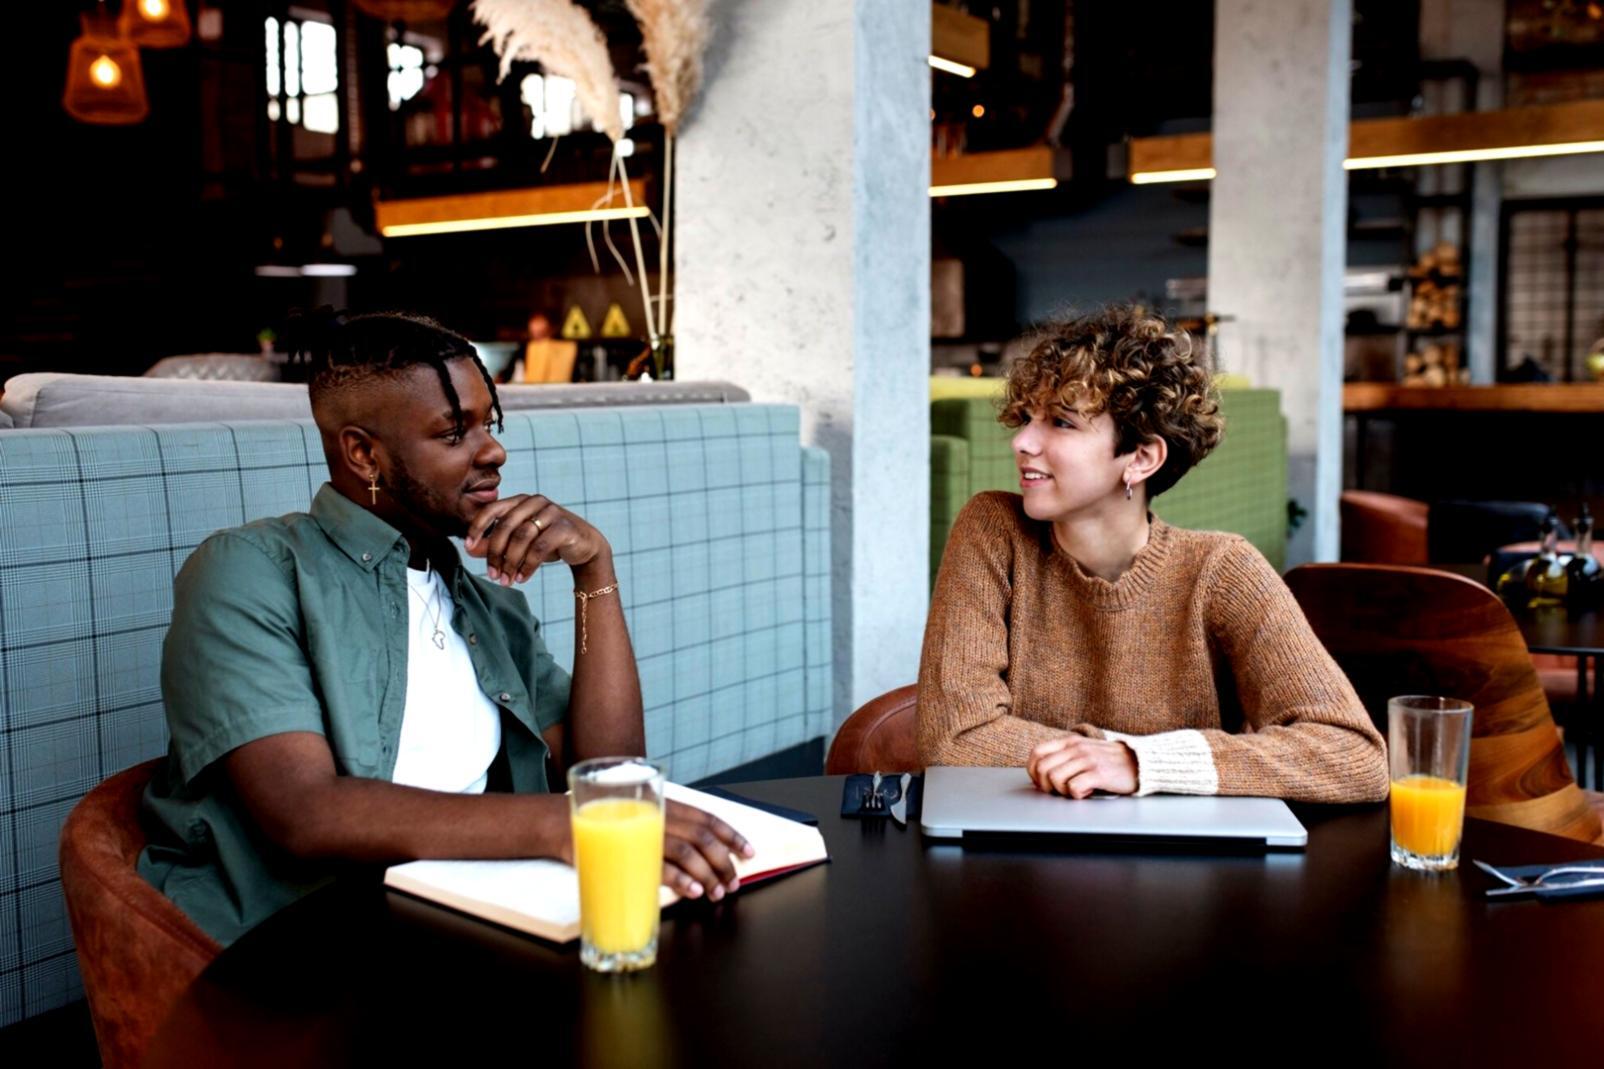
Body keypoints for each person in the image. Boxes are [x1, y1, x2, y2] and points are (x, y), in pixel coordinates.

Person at [139, 310, 749, 945]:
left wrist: (594, 567)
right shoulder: (254, 570)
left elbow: (611, 777)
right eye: (454, 433)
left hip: (470, 924)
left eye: (490, 423)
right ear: (363, 454)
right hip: (299, 950)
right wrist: (564, 825)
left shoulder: (490, 609)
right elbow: (306, 812)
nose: (494, 451)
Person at [916, 305, 1389, 804]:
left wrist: (1141, 763)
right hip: (1016, 858)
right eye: (1028, 418)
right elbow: (954, 738)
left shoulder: (1222, 570)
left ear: (1141, 458)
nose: (1023, 442)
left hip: (1181, 868)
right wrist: (1102, 759)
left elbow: (1353, 755)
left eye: (1061, 422)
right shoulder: (994, 532)